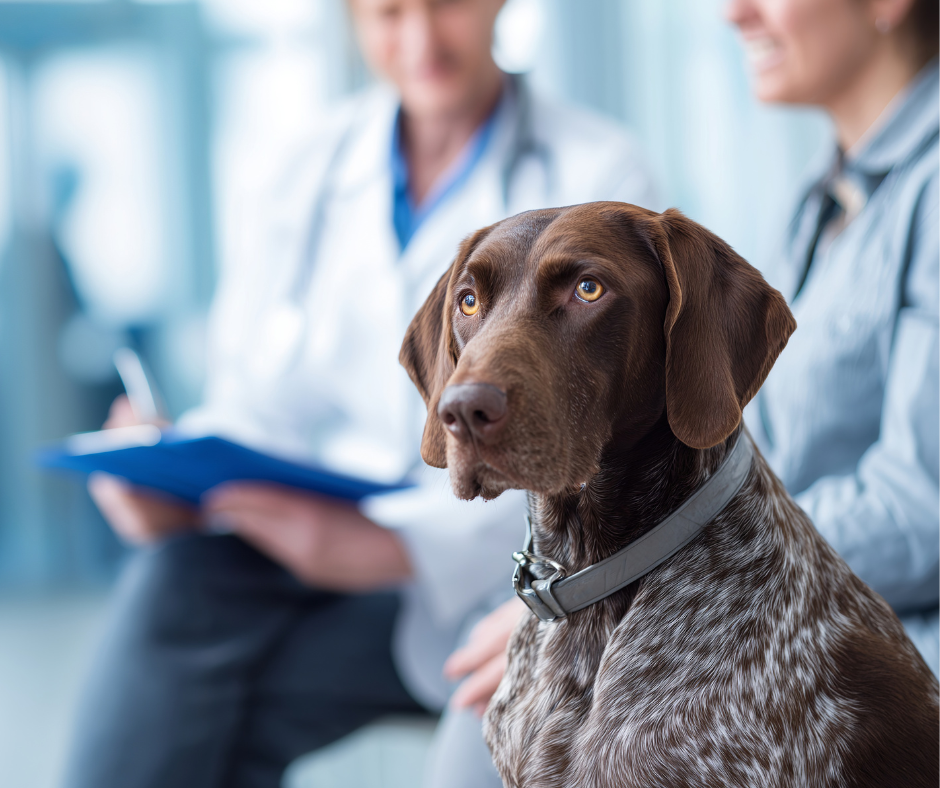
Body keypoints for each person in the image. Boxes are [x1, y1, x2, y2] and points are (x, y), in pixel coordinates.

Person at [60, 1, 657, 787]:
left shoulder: (597, 168)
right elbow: (254, 394)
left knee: (213, 713)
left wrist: (388, 546)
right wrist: (171, 475)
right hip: (297, 552)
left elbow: (612, 433)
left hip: (490, 573)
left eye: (445, 6)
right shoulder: (304, 169)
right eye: (387, 13)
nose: (419, 41)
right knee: (174, 590)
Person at [447, 0, 939, 763]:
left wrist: (667, 558)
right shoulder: (821, 205)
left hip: (879, 640)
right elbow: (736, 437)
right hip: (691, 601)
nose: (733, 12)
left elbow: (923, 506)